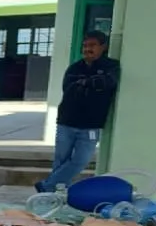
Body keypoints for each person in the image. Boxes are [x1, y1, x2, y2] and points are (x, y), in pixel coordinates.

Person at [35, 30, 120, 193]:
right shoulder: (74, 68)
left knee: (81, 160)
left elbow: (108, 83)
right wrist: (91, 84)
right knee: (61, 160)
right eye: (85, 45)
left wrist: (85, 83)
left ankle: (47, 186)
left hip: (91, 125)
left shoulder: (111, 66)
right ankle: (54, 195)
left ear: (103, 47)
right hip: (66, 121)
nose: (88, 49)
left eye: (92, 45)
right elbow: (69, 88)